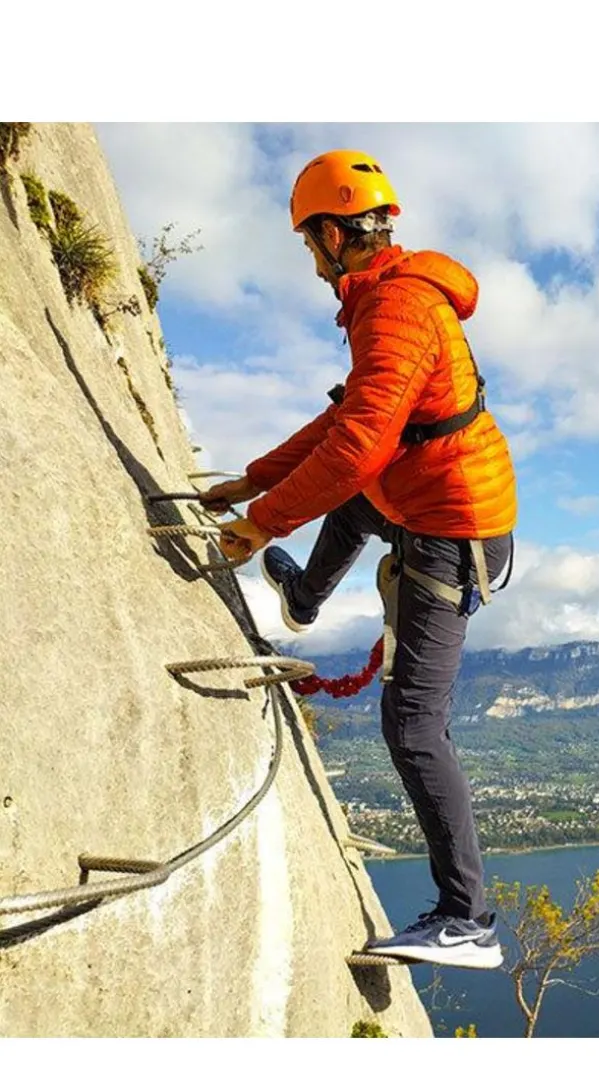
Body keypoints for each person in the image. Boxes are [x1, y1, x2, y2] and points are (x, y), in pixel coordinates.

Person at [200, 150, 517, 970]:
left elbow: (357, 445)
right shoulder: (387, 301)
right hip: (425, 503)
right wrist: (253, 481)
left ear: (338, 232)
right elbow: (343, 428)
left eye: (312, 242)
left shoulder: (399, 311)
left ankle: (468, 920)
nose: (311, 261)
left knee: (412, 725)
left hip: (452, 531)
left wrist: (259, 523)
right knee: (349, 495)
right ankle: (304, 596)